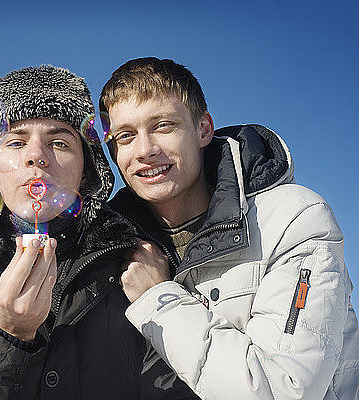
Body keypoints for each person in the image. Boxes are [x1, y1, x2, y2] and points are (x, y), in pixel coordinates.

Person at [0, 65, 198, 399]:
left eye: (59, 143)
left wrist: (157, 298)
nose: (36, 156)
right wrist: (8, 336)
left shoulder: (141, 263)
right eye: (17, 142)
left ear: (87, 171)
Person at [99, 57, 359, 399]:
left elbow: (284, 390)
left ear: (203, 129)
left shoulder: (293, 219)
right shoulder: (108, 248)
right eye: (126, 136)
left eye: (163, 126)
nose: (145, 150)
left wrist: (158, 299)